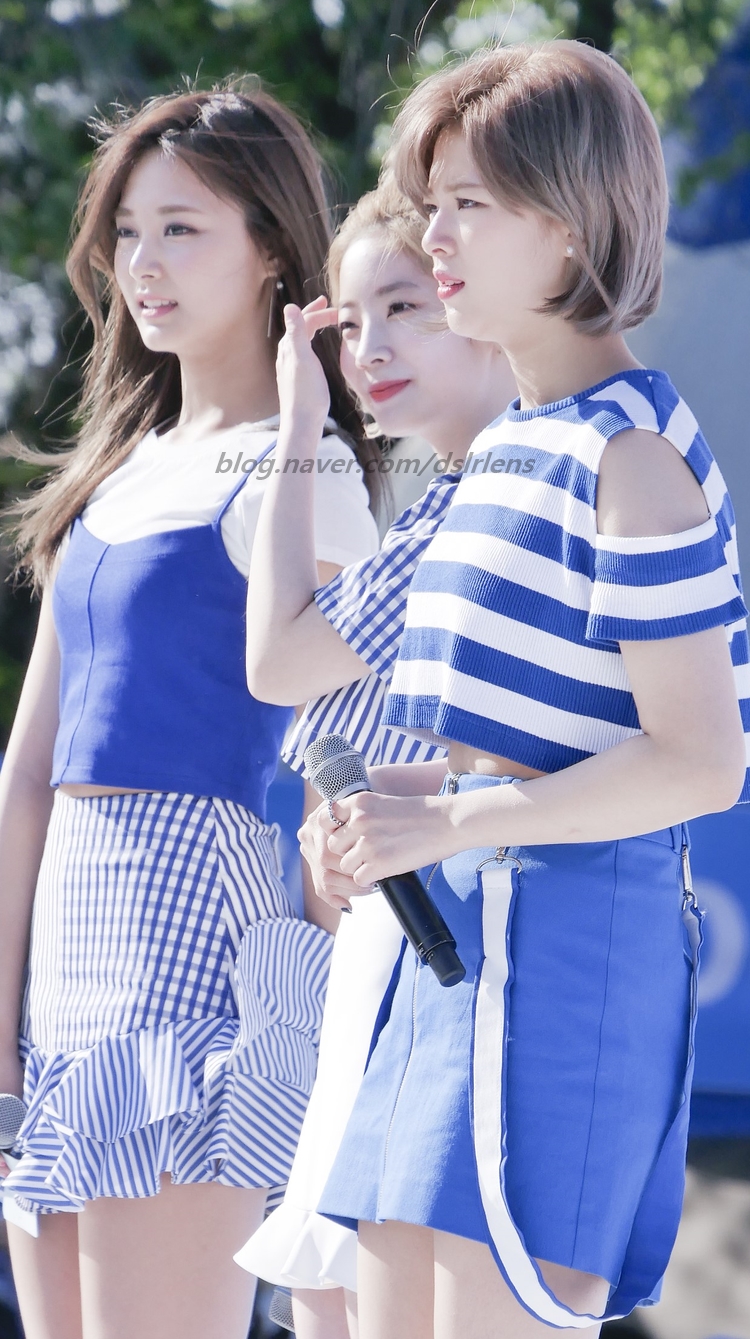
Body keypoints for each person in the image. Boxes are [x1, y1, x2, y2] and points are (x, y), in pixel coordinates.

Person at [245, 42, 749, 1339]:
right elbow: (513, 747)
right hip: (447, 953)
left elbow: (701, 760)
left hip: (570, 962)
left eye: (467, 203)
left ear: (569, 220)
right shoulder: (511, 452)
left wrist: (445, 819)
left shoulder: (633, 455)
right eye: (434, 203)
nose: (437, 237)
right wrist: (389, 807)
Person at [0, 84, 382, 1339]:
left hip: (199, 931)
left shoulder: (306, 465)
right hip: (64, 949)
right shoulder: (116, 466)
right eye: (126, 233)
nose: (142, 265)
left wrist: (315, 1002)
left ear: (271, 247)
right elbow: (27, 773)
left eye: (180, 228)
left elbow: (353, 748)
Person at [236, 180, 517, 1339]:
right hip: (402, 937)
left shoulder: (486, 495)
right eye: (350, 325)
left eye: (406, 305)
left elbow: (275, 660)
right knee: (334, 1288)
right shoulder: (447, 503)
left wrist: (300, 430)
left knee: (350, 1290)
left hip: (442, 941)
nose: (370, 349)